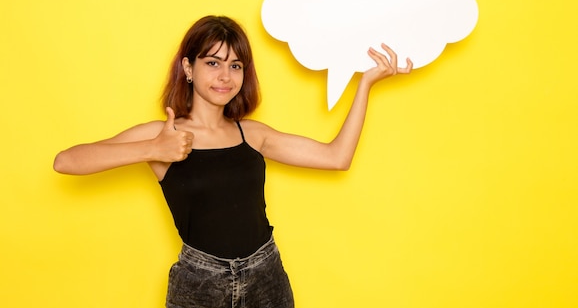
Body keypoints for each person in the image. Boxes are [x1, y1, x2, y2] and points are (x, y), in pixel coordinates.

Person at [54, 15, 413, 308]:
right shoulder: (162, 134)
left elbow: (337, 157)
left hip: (266, 277)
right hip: (199, 285)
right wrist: (152, 149)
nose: (225, 76)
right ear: (188, 67)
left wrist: (365, 84)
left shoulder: (252, 135)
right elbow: (66, 161)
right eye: (213, 63)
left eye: (235, 65)